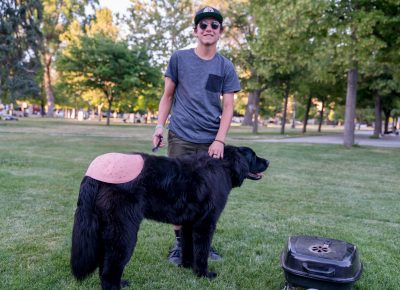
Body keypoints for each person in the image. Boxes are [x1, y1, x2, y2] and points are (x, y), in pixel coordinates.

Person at [152, 6, 241, 265]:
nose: (209, 29)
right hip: (180, 136)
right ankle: (180, 246)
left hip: (210, 141)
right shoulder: (179, 59)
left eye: (214, 25)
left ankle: (203, 244)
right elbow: (167, 96)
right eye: (203, 25)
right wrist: (159, 126)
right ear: (195, 31)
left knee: (208, 197)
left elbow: (228, 107)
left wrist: (220, 140)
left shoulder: (225, 66)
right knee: (178, 194)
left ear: (220, 32)